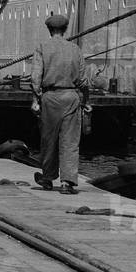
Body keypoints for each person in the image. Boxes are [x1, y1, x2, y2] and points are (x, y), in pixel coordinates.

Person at [31, 14, 90, 195]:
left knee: (49, 140)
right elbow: (83, 80)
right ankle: (67, 182)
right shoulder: (75, 49)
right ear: (65, 30)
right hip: (71, 97)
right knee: (70, 141)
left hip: (50, 98)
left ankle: (48, 178)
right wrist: (86, 101)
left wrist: (35, 100)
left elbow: (35, 78)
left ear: (49, 30)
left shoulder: (42, 47)